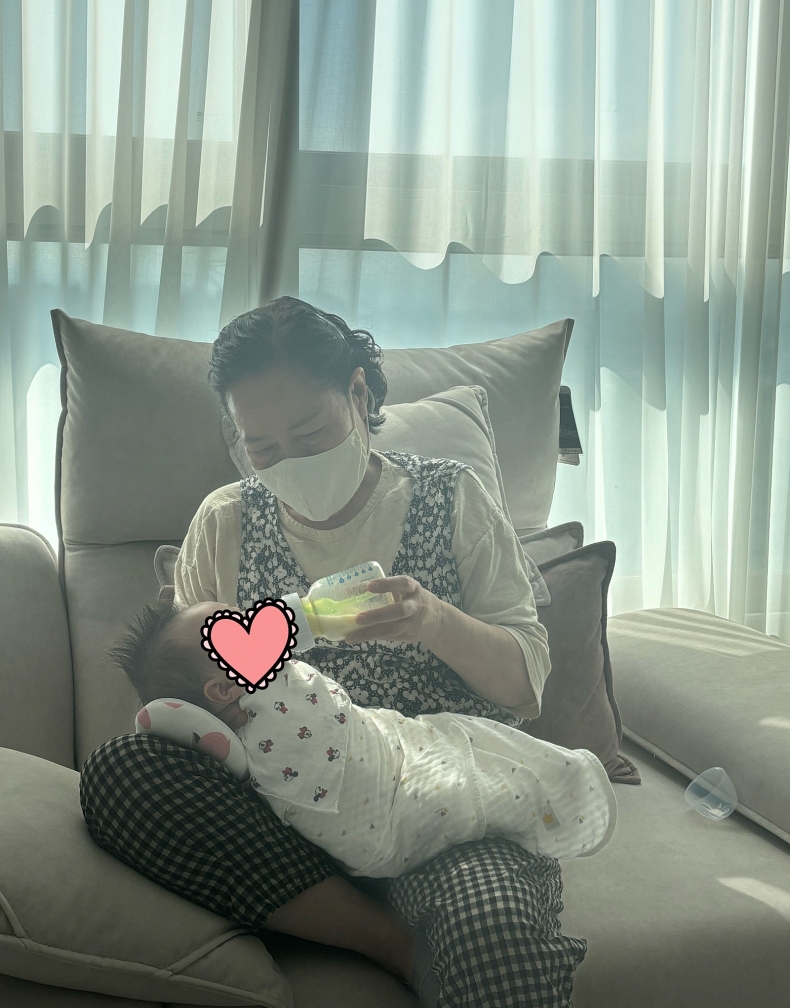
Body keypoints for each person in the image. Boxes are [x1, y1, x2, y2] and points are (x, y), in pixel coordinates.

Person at [80, 295, 591, 1008]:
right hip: (288, 824)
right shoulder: (225, 522)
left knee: (495, 935)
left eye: (309, 432)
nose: (287, 461)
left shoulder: (452, 497)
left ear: (358, 393)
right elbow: (184, 701)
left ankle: (419, 926)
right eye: (262, 448)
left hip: (444, 816)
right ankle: (391, 942)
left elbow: (524, 684)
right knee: (119, 772)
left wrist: (434, 621)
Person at [112, 599, 618, 877]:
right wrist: (303, 613)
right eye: (231, 627)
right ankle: (568, 796)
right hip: (389, 808)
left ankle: (557, 793)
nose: (249, 620)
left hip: (385, 771)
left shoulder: (243, 731)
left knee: (464, 742)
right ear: (223, 687)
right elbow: (290, 629)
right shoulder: (263, 702)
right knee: (471, 784)